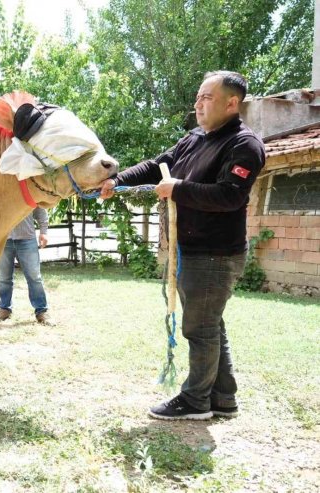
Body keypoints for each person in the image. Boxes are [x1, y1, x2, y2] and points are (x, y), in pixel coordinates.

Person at [99, 71, 265, 420]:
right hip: (192, 250)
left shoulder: (244, 145)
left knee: (200, 327)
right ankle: (223, 398)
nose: (198, 103)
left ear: (232, 103)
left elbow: (230, 196)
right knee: (211, 324)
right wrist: (117, 180)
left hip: (216, 254)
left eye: (206, 97)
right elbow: (157, 165)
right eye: (198, 96)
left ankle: (195, 400)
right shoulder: (195, 138)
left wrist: (177, 189)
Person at [0, 207, 52, 325]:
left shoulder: (27, 188)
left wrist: (43, 232)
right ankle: (5, 309)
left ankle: (41, 311)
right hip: (3, 239)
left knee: (34, 278)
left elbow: (40, 209)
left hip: (27, 239)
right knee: (4, 278)